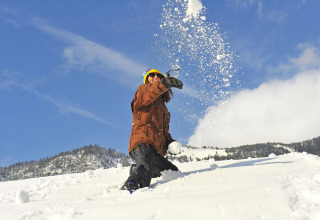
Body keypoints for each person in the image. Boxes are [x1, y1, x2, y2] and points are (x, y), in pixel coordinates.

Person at [121, 68, 183, 191]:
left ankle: (136, 169)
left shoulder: (163, 108)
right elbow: (149, 92)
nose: (155, 77)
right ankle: (130, 189)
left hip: (155, 151)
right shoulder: (143, 92)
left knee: (172, 172)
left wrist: (170, 142)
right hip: (142, 144)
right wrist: (164, 84)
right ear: (146, 79)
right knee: (145, 169)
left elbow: (163, 131)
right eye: (151, 75)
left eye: (158, 75)